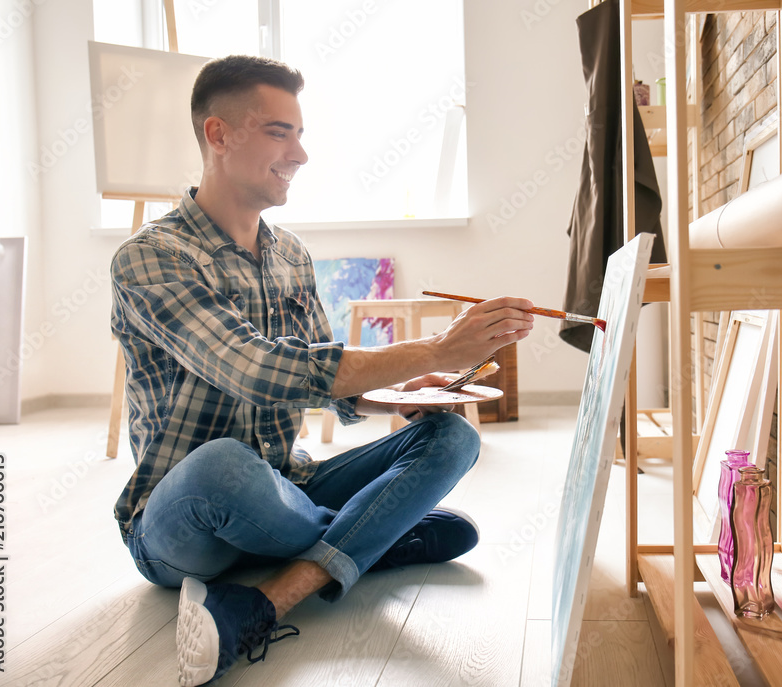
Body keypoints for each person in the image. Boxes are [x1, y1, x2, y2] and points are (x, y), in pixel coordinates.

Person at [109, 54, 534, 687]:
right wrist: (435, 349)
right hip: (184, 517)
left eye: (301, 133)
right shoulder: (149, 257)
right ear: (218, 135)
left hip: (288, 490)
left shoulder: (291, 256)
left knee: (454, 437)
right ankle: (376, 533)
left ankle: (269, 597)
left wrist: (399, 390)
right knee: (227, 463)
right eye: (280, 131)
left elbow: (331, 392)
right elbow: (253, 370)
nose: (301, 154)